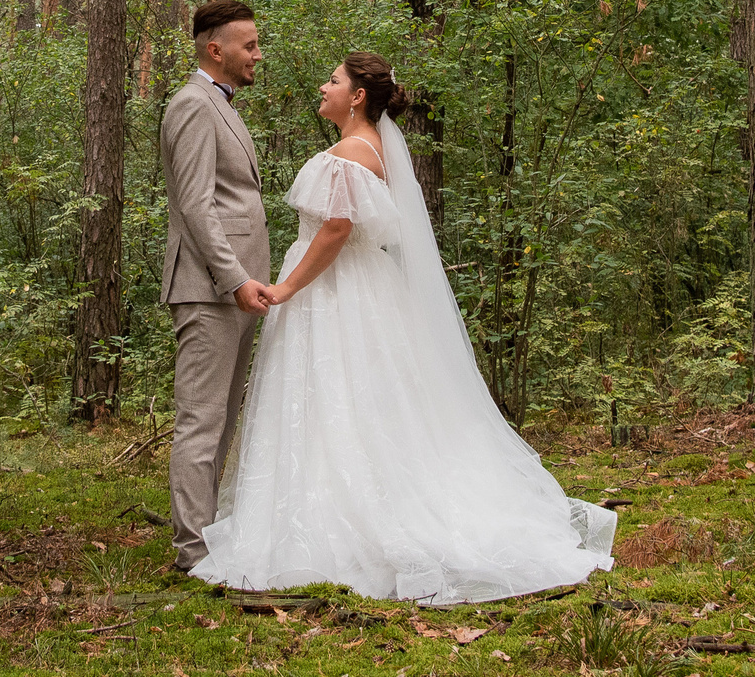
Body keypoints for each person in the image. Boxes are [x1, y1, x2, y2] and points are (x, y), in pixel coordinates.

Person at [192, 51, 615, 604]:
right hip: (366, 290)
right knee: (362, 402)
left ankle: (340, 519)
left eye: (334, 80)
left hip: (334, 291)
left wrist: (289, 287)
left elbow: (337, 228)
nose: (325, 86)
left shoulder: (349, 153)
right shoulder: (375, 150)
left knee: (335, 398)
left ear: (358, 96)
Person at [159, 0, 272, 574]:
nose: (257, 54)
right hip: (210, 289)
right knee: (202, 420)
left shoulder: (220, 105)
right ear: (215, 49)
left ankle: (207, 540)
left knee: (223, 417)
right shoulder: (193, 105)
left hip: (234, 288)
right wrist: (234, 281)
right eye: (249, 45)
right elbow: (198, 208)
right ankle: (192, 553)